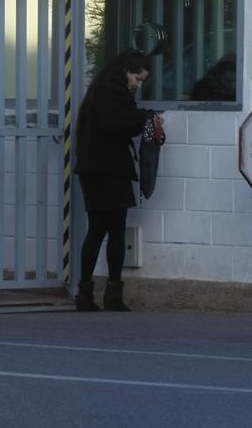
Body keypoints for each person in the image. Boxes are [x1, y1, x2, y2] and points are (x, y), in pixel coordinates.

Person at [74, 48, 160, 312]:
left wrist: (144, 118)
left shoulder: (99, 91)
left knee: (97, 231)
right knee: (115, 232)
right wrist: (147, 117)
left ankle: (86, 293)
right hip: (110, 170)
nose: (138, 84)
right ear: (125, 71)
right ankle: (111, 294)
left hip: (93, 170)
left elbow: (121, 123)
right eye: (137, 77)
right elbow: (120, 123)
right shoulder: (112, 93)